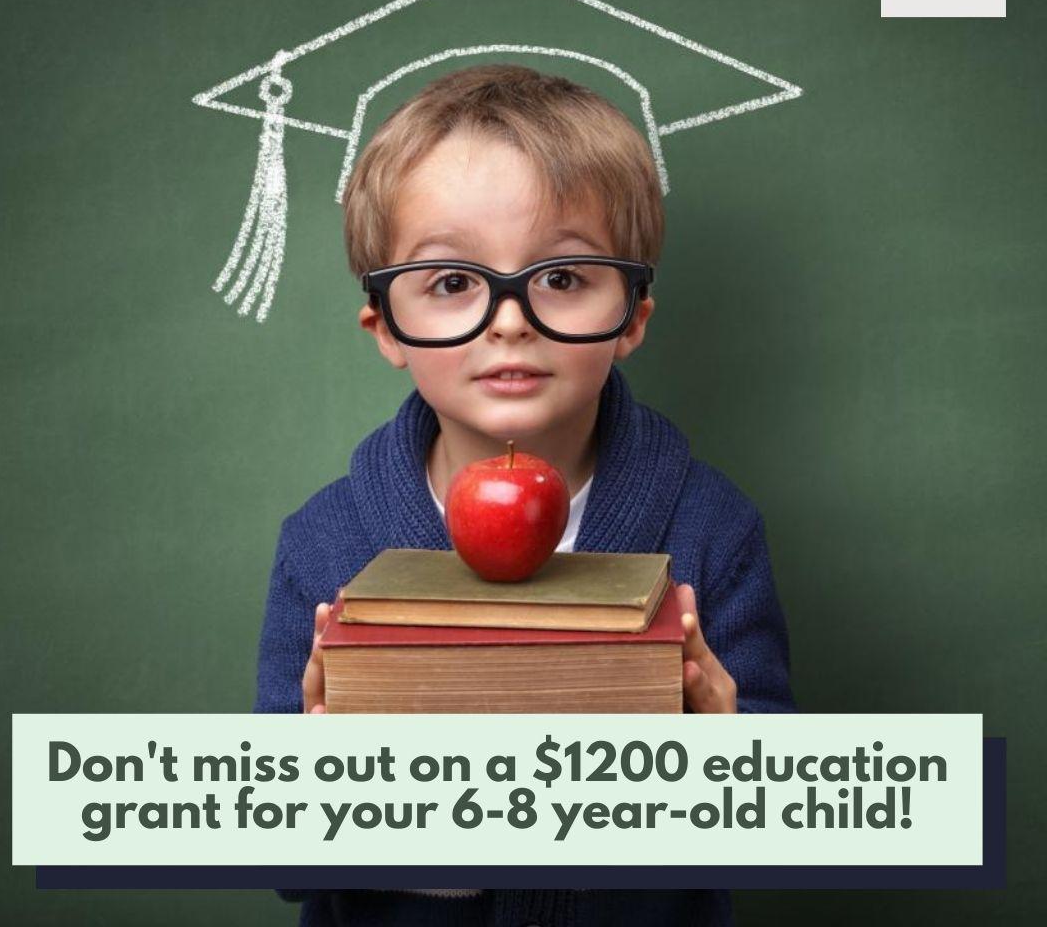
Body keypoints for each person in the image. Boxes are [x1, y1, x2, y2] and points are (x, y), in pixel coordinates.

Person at [254, 64, 795, 926]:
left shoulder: (710, 528)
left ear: (633, 317)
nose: (509, 320)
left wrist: (732, 764)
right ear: (387, 326)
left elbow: (775, 832)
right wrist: (312, 787)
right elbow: (276, 858)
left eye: (563, 278)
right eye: (451, 282)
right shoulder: (326, 541)